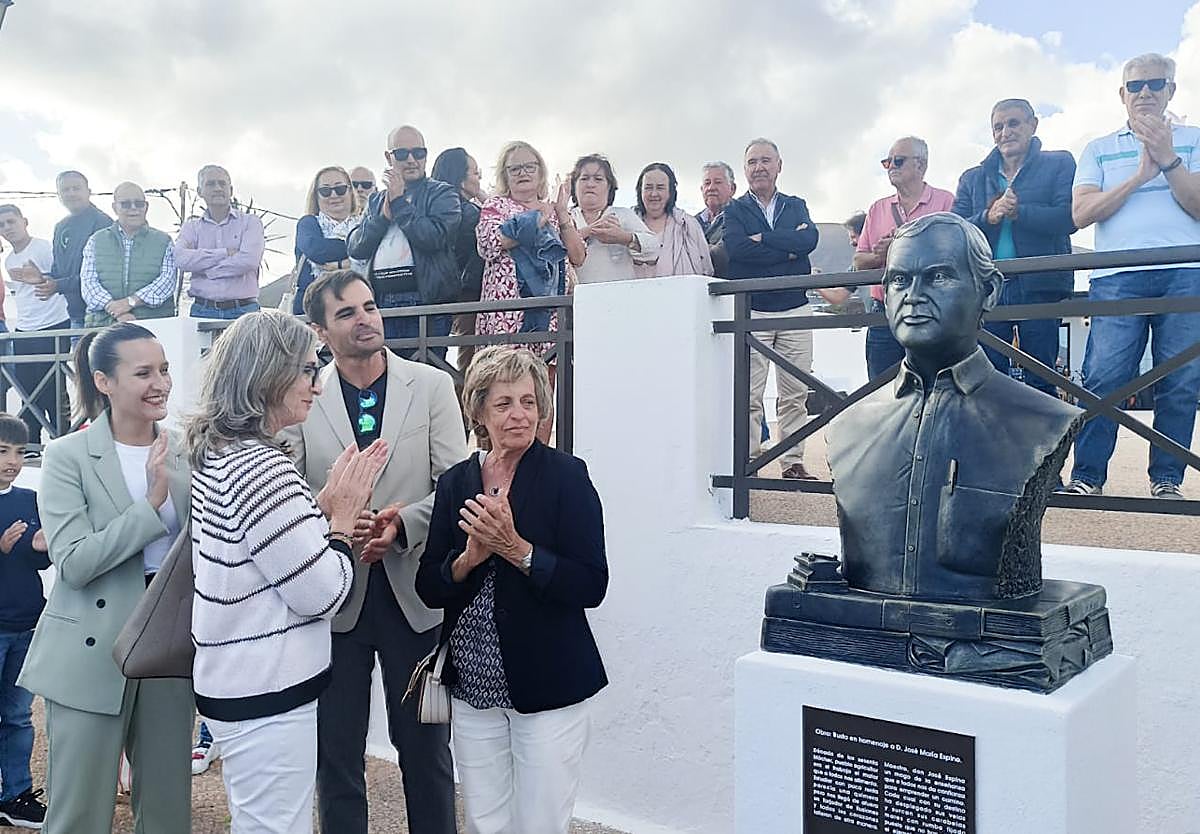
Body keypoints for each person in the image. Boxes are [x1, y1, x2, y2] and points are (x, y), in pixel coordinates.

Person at [187, 310, 387, 834]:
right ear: (267, 375)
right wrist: (341, 522)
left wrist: (313, 509)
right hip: (266, 691)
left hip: (239, 683)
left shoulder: (226, 454)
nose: (316, 384)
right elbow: (322, 594)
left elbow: (261, 552)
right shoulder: (261, 465)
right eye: (305, 369)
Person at [281, 270, 463, 834]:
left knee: (427, 753)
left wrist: (402, 525)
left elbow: (454, 484)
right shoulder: (306, 398)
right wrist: (334, 515)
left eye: (370, 306)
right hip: (333, 600)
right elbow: (284, 492)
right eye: (347, 313)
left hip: (414, 595)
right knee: (336, 757)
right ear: (320, 331)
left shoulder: (431, 386)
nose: (365, 319)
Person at [408, 346, 607, 834]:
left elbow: (591, 583)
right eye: (503, 403)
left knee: (539, 822)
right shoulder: (457, 482)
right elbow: (429, 585)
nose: (519, 414)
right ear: (478, 411)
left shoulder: (567, 476)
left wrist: (518, 550)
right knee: (484, 821)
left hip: (548, 685)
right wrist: (468, 560)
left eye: (528, 401)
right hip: (473, 685)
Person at [17, 322, 193, 833]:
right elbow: (73, 561)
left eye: (164, 369)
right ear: (103, 381)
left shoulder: (186, 448)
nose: (160, 382)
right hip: (89, 652)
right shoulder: (66, 456)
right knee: (78, 815)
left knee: (167, 810)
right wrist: (152, 505)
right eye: (143, 372)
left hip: (168, 645)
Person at [1064, 52, 1200, 499]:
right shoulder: (1099, 149)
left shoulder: (1195, 140)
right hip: (1116, 275)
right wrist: (1141, 176)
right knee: (1104, 378)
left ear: (1171, 91)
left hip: (1186, 274)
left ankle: (1167, 479)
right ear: (1122, 95)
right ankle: (1088, 476)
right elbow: (1081, 213)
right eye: (1136, 86)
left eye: (1155, 84)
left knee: (1181, 381)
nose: (1145, 92)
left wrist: (1170, 160)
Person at [954, 99, 1077, 395]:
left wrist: (1021, 212)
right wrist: (989, 216)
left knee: (1042, 376)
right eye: (998, 126)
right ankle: (996, 442)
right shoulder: (973, 177)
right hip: (988, 288)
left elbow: (1069, 217)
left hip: (1040, 284)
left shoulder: (1059, 163)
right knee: (987, 379)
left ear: (1033, 126)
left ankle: (1046, 443)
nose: (1005, 131)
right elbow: (956, 230)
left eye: (1013, 123)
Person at [723, 138, 821, 480]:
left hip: (795, 309)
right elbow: (736, 251)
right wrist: (788, 248)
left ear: (780, 165)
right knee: (749, 394)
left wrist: (763, 239)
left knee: (795, 392)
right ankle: (749, 463)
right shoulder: (734, 210)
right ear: (745, 169)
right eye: (752, 162)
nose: (759, 167)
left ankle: (792, 462)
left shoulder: (797, 204)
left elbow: (809, 242)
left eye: (766, 160)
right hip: (754, 312)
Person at [476, 141, 585, 442]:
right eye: (515, 169)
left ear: (541, 173)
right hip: (507, 319)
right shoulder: (495, 207)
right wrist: (535, 218)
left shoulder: (555, 211)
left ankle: (536, 473)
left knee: (538, 398)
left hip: (547, 320)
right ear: (505, 175)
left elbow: (577, 256)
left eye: (529, 167)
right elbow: (490, 244)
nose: (523, 173)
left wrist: (560, 214)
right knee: (503, 395)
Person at [347, 125, 462, 358]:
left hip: (427, 303)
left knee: (426, 382)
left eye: (418, 153)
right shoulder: (376, 200)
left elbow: (434, 237)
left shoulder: (442, 193)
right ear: (389, 157)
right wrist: (382, 218)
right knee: (386, 381)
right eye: (402, 154)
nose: (411, 160)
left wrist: (399, 204)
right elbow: (356, 247)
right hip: (381, 303)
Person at [855, 137, 955, 380]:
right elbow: (859, 261)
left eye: (898, 161)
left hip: (932, 311)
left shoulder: (946, 202)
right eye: (886, 162)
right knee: (881, 391)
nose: (891, 167)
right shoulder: (877, 209)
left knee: (936, 387)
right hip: (885, 313)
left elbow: (955, 255)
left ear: (920, 165)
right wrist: (880, 255)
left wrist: (901, 249)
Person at [0, 414, 49, 829]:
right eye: (3, 451)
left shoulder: (28, 500)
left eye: (20, 452)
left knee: (18, 717)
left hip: (26, 626)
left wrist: (40, 546)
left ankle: (15, 795)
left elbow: (39, 560)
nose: (12, 461)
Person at [0, 205, 70, 445]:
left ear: (24, 221)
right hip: (24, 328)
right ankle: (30, 445)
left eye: (11, 222)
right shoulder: (9, 259)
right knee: (26, 390)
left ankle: (62, 441)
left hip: (54, 323)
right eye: (2, 225)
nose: (7, 228)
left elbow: (58, 280)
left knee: (55, 387)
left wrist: (40, 277)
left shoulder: (43, 247)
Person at [80, 183, 178, 327]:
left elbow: (167, 282)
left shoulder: (164, 241)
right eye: (126, 204)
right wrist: (117, 310)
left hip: (152, 327)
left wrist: (130, 302)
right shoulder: (96, 240)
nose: (133, 208)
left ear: (146, 207)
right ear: (115, 208)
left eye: (139, 204)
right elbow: (88, 283)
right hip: (102, 327)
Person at [174, 165, 265, 319]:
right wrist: (224, 253)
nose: (217, 188)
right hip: (202, 310)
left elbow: (248, 261)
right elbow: (180, 259)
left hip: (244, 311)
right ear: (199, 191)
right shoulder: (191, 227)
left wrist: (207, 269)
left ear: (231, 190)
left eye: (222, 184)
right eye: (210, 184)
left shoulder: (251, 223)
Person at [29, 171, 112, 329]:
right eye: (65, 190)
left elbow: (104, 274)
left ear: (89, 192)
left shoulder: (103, 222)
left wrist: (58, 285)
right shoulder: (60, 227)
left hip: (102, 315)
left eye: (76, 188)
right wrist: (42, 279)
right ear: (59, 196)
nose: (71, 193)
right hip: (75, 316)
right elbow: (59, 272)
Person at [432, 147, 487, 376]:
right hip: (468, 294)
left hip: (436, 292)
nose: (479, 179)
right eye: (476, 174)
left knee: (437, 358)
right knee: (470, 361)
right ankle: (464, 410)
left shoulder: (433, 207)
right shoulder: (470, 213)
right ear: (461, 180)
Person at [567, 154, 658, 284]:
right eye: (584, 178)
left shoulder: (623, 215)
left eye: (598, 179)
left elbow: (654, 249)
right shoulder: (566, 217)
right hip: (575, 300)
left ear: (609, 187)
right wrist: (589, 231)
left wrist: (624, 238)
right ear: (574, 185)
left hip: (619, 297)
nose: (590, 184)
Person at [293, 166, 358, 315]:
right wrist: (356, 252)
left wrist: (340, 263)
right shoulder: (308, 224)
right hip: (314, 309)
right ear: (316, 196)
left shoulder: (363, 224)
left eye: (340, 189)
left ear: (350, 192)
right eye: (325, 191)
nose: (333, 195)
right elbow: (316, 250)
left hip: (354, 306)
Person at [633, 162, 714, 278]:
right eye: (648, 187)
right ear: (640, 191)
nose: (654, 194)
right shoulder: (625, 224)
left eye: (660, 188)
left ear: (671, 192)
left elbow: (707, 269)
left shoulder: (688, 225)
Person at [697, 162, 737, 277]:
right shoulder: (690, 222)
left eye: (718, 182)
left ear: (732, 188)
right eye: (707, 183)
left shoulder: (740, 217)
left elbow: (723, 253)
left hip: (727, 288)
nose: (711, 188)